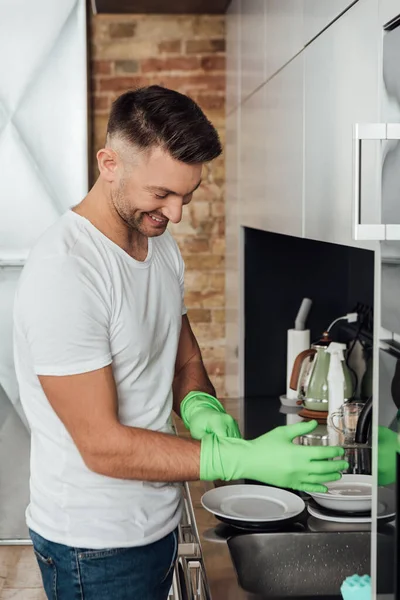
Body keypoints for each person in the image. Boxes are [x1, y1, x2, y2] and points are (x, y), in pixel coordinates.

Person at [13, 85, 348, 600]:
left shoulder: (158, 247)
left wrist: (201, 406)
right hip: (93, 544)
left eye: (186, 196)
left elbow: (180, 353)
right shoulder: (68, 271)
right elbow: (102, 446)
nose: (176, 214)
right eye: (161, 194)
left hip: (157, 521)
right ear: (109, 163)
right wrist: (234, 459)